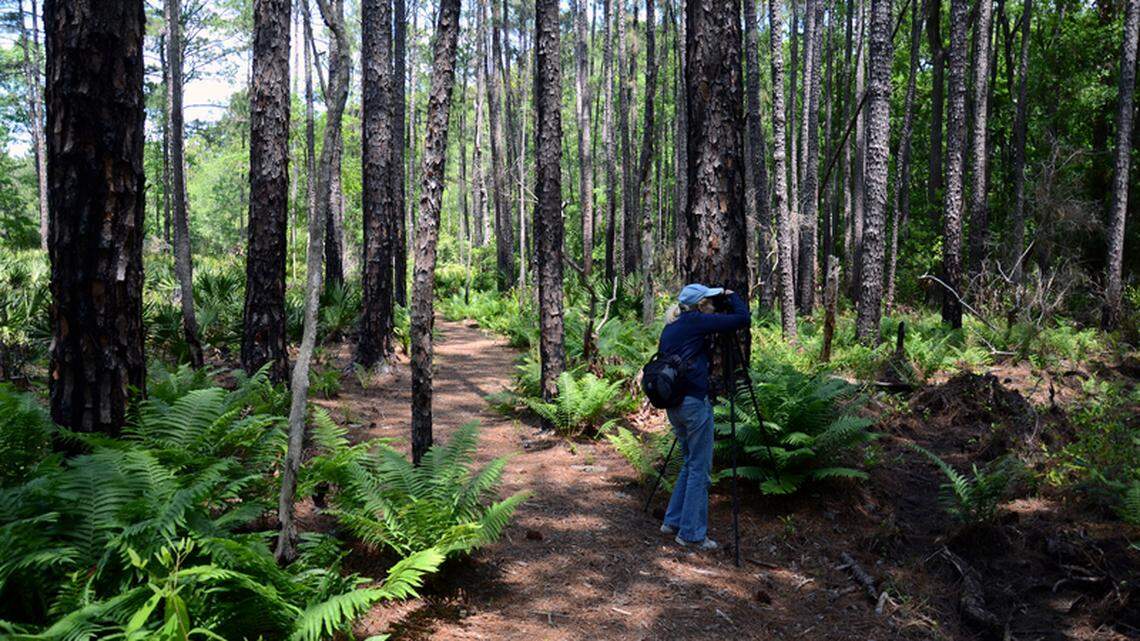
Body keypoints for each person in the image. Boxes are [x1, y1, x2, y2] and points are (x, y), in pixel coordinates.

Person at [656, 283, 750, 550]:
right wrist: (733, 296)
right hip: (694, 403)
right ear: (700, 305)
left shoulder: (671, 327)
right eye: (709, 299)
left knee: (689, 463)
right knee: (700, 468)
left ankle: (672, 521)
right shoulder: (696, 321)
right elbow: (742, 319)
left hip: (674, 405)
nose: (712, 303)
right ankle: (691, 534)